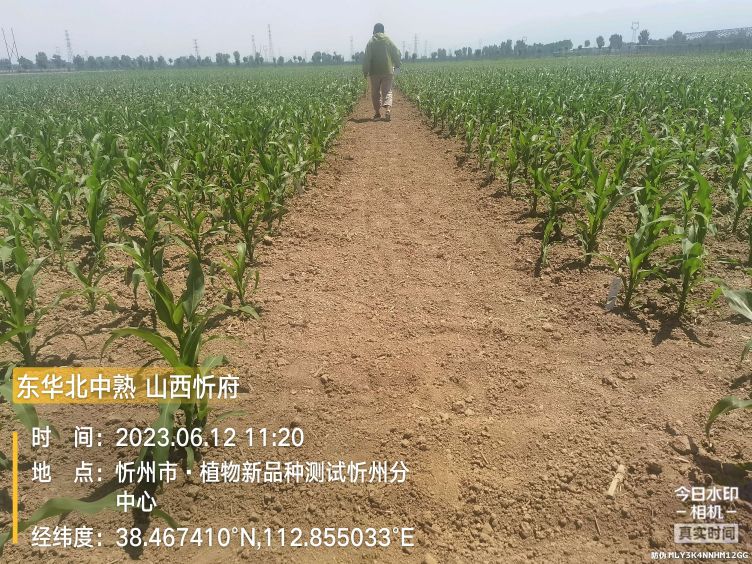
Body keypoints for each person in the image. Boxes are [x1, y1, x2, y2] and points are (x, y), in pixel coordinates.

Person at [362, 23, 401, 121]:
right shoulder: (387, 40)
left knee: (375, 92)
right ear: (383, 31)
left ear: (374, 31)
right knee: (387, 91)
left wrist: (365, 71)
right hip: (387, 70)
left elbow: (366, 58)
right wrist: (397, 64)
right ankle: (388, 110)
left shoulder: (370, 42)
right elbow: (396, 52)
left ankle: (377, 113)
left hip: (374, 71)